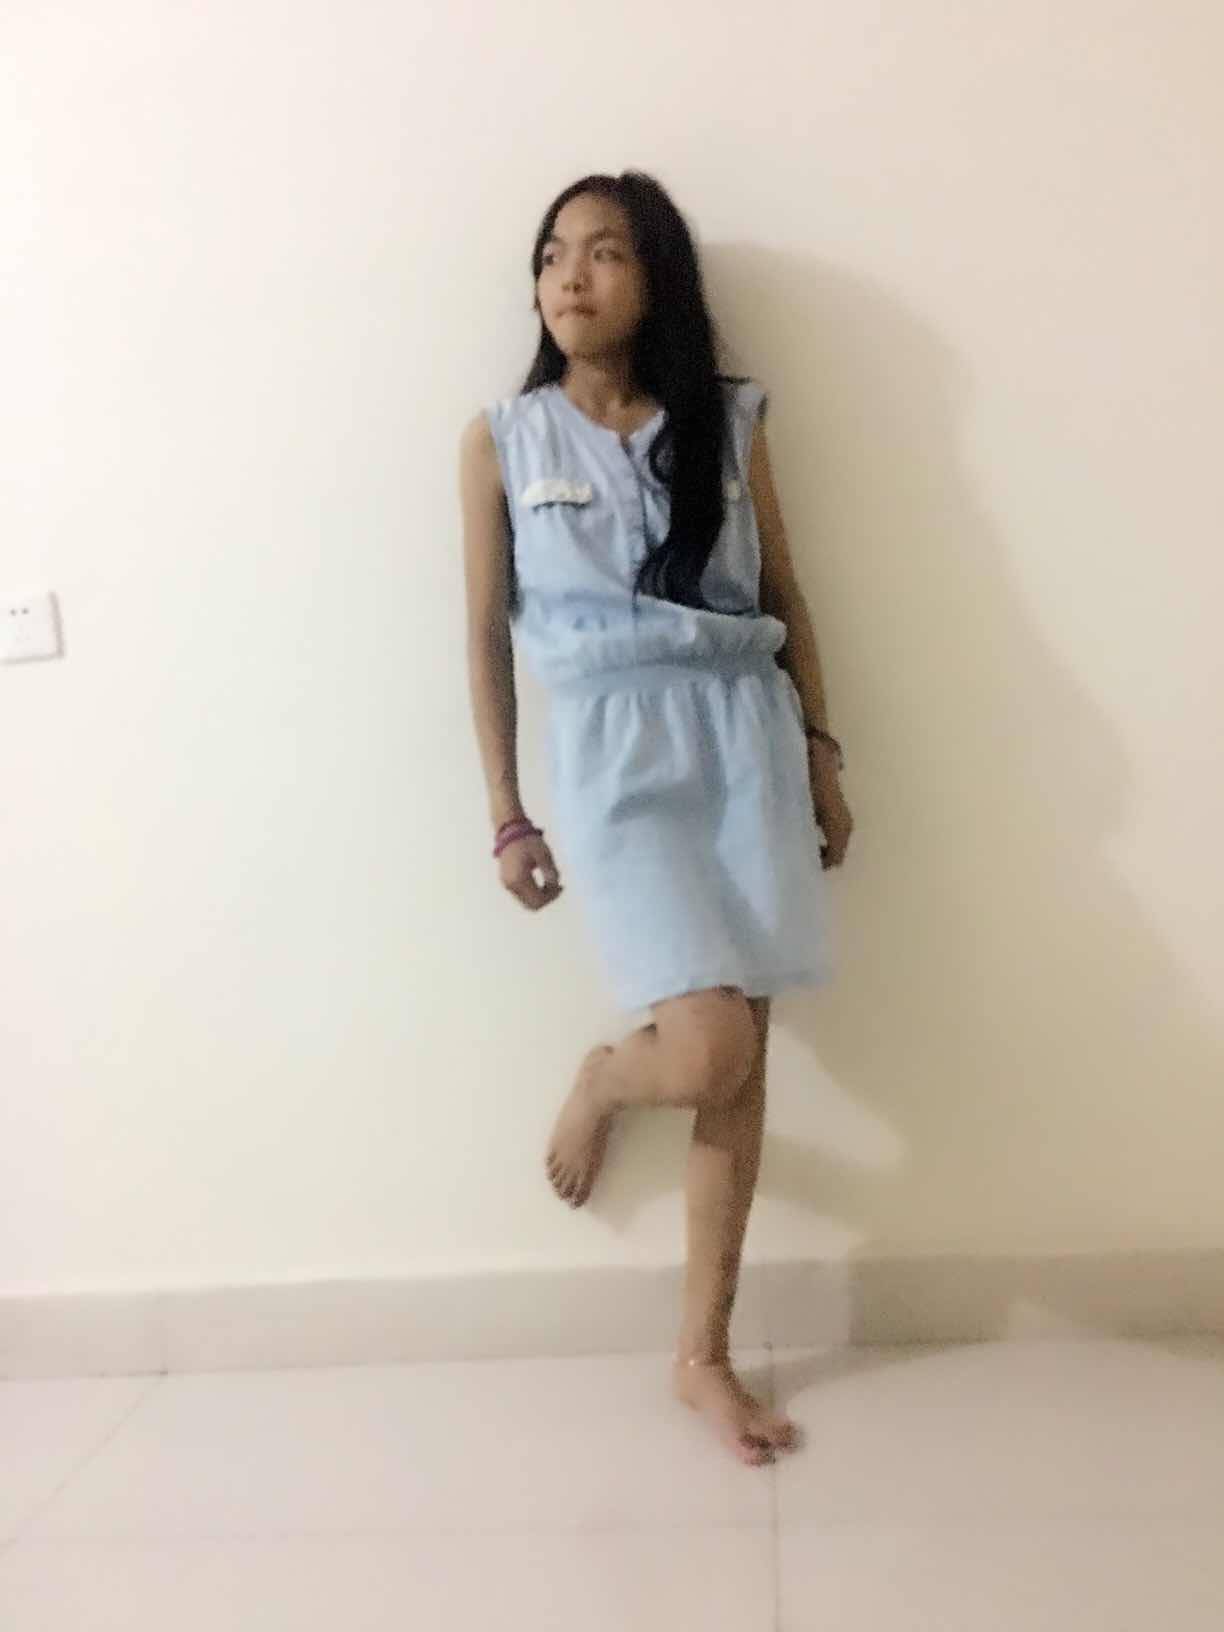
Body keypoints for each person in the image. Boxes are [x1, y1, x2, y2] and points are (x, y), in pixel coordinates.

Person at [460, 170, 854, 1466]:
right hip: (616, 757)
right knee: (701, 1051)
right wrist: (508, 812)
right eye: (552, 254)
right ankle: (607, 1076)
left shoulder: (728, 422)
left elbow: (786, 594)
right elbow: (484, 638)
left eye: (606, 252)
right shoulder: (502, 440)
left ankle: (702, 1357)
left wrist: (823, 751)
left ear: (658, 279)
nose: (570, 276)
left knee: (744, 1062)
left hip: (748, 739)